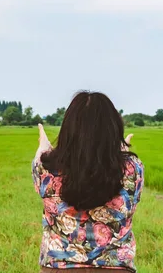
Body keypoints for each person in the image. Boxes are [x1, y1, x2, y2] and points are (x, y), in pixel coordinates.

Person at [32, 91, 144, 272]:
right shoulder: (133, 168)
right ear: (113, 128)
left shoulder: (45, 168)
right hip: (115, 267)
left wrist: (43, 148)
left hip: (59, 267)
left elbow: (44, 160)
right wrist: (121, 153)